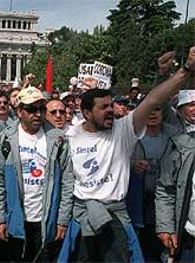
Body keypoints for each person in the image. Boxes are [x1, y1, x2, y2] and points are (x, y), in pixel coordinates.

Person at [59, 46, 195, 262]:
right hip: (81, 217)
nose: (111, 110)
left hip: (115, 218)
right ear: (86, 113)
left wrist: (185, 69)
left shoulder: (123, 130)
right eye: (103, 107)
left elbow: (152, 100)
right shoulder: (69, 135)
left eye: (111, 106)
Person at [0, 86, 73, 262]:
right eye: (31, 109)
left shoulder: (58, 139)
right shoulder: (4, 140)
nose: (37, 114)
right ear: (19, 111)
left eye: (41, 109)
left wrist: (62, 219)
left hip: (47, 221)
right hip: (16, 221)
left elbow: (67, 181)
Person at [127, 106, 178, 262]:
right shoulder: (130, 136)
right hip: (139, 199)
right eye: (149, 110)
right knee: (141, 243)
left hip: (167, 200)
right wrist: (132, 164)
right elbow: (116, 161)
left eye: (157, 109)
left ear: (163, 113)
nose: (152, 114)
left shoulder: (174, 136)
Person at [156, 89, 195, 262]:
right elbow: (166, 188)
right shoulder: (180, 143)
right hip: (189, 235)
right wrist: (166, 227)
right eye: (191, 105)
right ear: (179, 109)